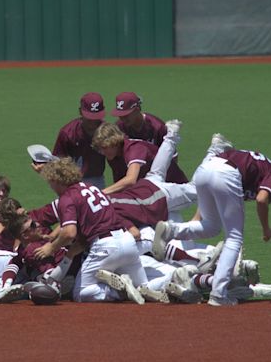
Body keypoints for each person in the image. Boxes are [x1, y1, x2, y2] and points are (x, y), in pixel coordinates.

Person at [152, 136, 271, 306]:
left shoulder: (264, 166)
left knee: (211, 226)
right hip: (225, 173)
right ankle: (218, 294)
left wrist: (200, 214)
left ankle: (170, 230)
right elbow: (262, 200)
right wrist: (266, 229)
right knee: (234, 237)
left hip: (205, 169)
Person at [33, 158, 150, 304]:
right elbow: (85, 234)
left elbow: (69, 233)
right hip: (127, 241)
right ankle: (173, 282)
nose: (50, 186)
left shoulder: (67, 198)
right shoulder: (91, 188)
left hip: (105, 247)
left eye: (50, 181)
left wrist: (51, 247)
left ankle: (118, 291)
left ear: (57, 180)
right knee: (144, 288)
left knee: (80, 293)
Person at [91, 122, 188, 195]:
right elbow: (120, 184)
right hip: (153, 187)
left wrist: (101, 193)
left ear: (114, 142)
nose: (102, 152)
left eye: (104, 147)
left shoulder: (134, 148)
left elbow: (130, 180)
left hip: (173, 186)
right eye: (100, 149)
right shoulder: (113, 155)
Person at [42, 92, 107, 188]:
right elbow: (58, 161)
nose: (93, 122)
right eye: (89, 118)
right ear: (80, 112)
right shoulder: (68, 133)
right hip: (71, 182)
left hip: (97, 179)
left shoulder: (106, 131)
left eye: (96, 117)